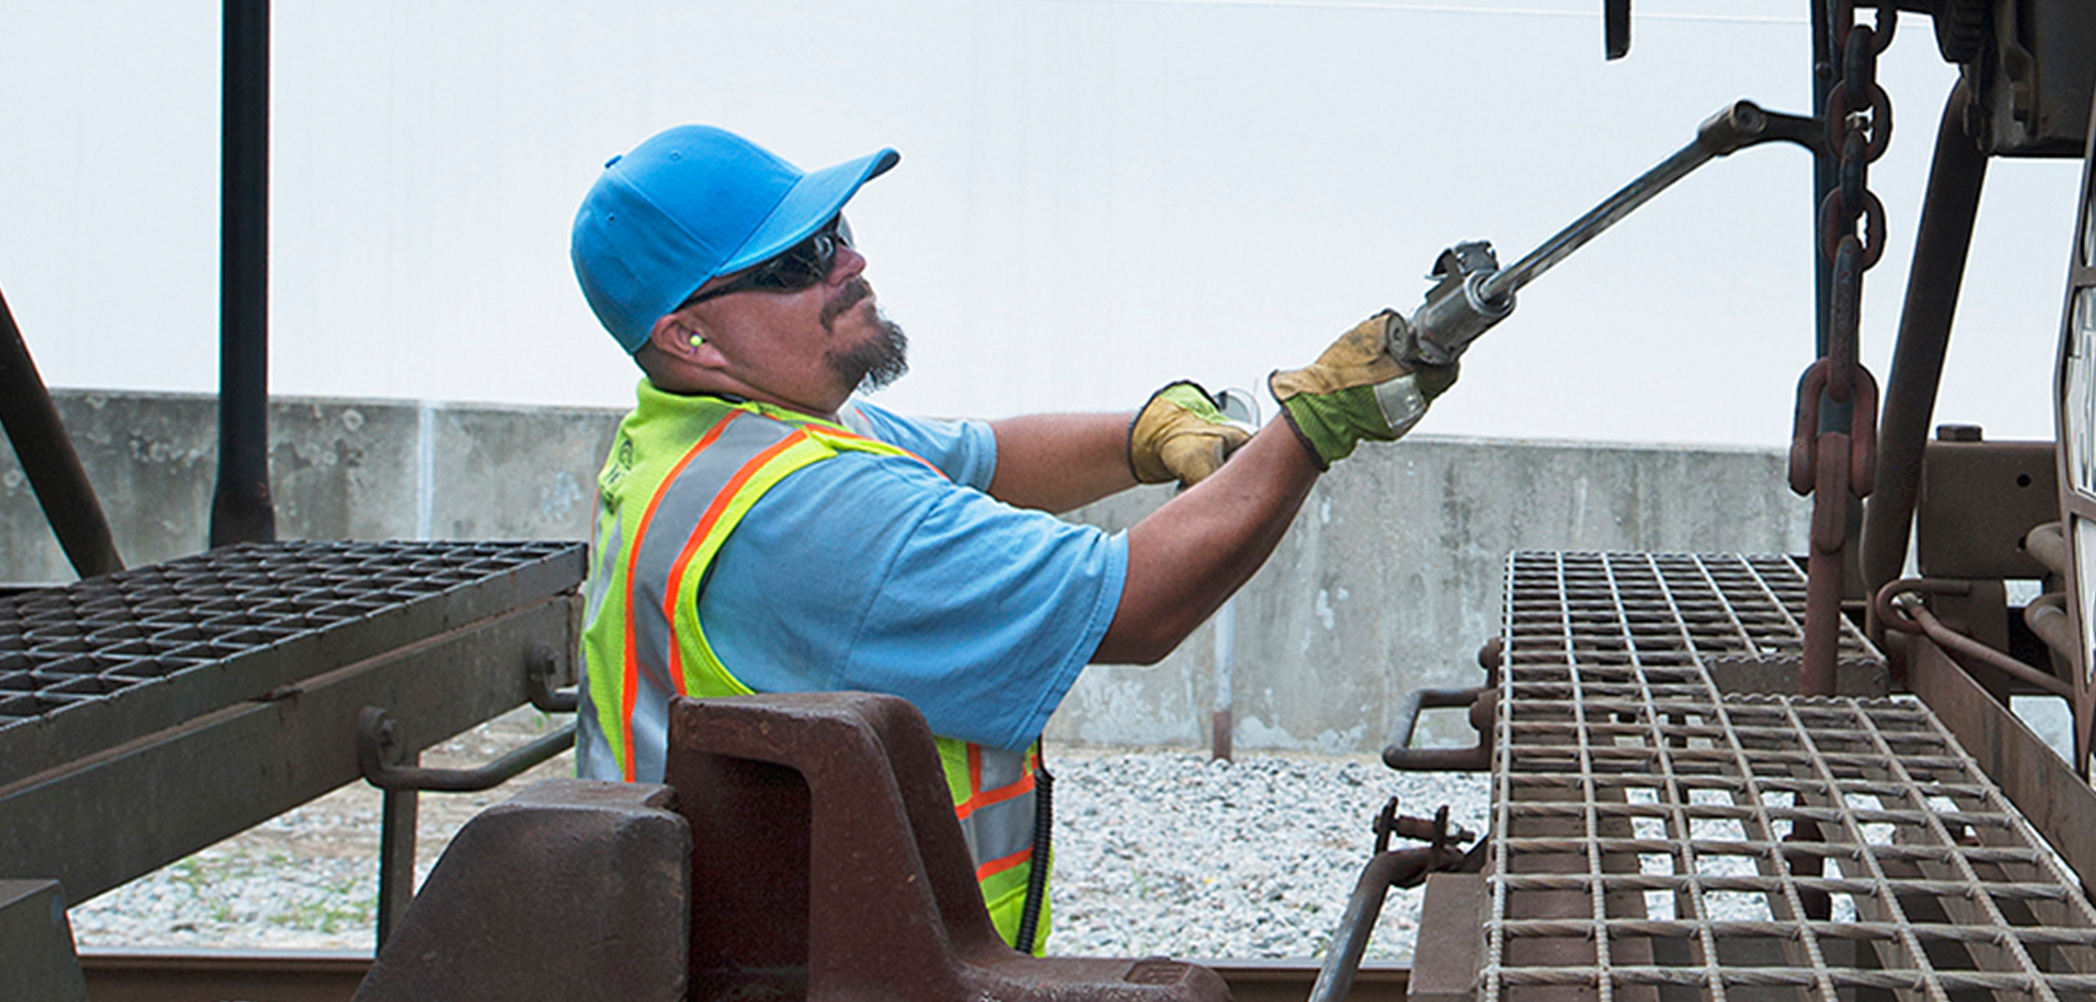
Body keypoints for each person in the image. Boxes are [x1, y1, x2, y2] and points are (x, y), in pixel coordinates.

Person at [566, 124, 1459, 951]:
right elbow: (1136, 606)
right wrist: (1314, 428)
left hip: (732, 942)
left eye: (836, 229)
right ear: (689, 335)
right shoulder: (803, 514)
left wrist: (1147, 433)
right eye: (798, 259)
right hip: (815, 967)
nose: (850, 261)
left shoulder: (715, 437)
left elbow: (984, 455)